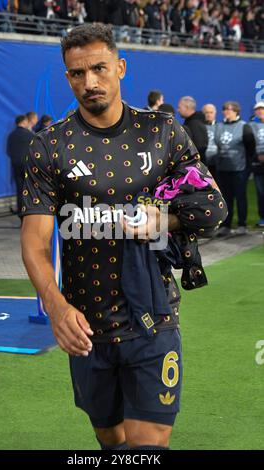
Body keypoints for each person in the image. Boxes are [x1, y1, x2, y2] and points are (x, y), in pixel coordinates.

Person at [21, 23, 226, 450]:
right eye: (77, 73)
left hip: (154, 318)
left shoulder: (162, 131)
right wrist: (55, 308)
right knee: (112, 442)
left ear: (121, 66)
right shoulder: (48, 146)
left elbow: (213, 208)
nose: (89, 82)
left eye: (99, 68)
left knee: (147, 449)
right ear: (67, 77)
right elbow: (35, 242)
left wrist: (164, 220)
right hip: (85, 325)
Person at [215, 101, 255, 237]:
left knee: (240, 197)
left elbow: (251, 148)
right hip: (223, 169)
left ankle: (242, 224)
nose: (226, 111)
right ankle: (226, 225)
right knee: (226, 198)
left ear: (236, 111)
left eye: (229, 109)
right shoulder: (219, 126)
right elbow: (217, 144)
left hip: (239, 169)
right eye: (224, 109)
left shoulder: (244, 127)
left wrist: (247, 166)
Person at [6, 114, 33, 216]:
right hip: (28, 166)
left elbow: (8, 151)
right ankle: (29, 212)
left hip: (16, 165)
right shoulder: (29, 134)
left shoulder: (11, 135)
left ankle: (21, 213)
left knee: (19, 190)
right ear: (23, 122)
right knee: (30, 190)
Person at [178, 96, 209, 164]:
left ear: (186, 107)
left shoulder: (195, 123)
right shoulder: (191, 122)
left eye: (179, 107)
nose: (178, 110)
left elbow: (200, 146)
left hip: (196, 166)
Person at [249, 101, 264, 228]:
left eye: (262, 109)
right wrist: (256, 157)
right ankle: (263, 218)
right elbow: (249, 145)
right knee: (261, 193)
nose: (259, 111)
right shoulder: (252, 126)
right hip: (258, 165)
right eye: (257, 109)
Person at [202, 103, 218, 179]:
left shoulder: (220, 126)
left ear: (215, 113)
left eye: (211, 112)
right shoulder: (198, 127)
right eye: (206, 112)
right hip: (203, 162)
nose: (209, 115)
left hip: (217, 162)